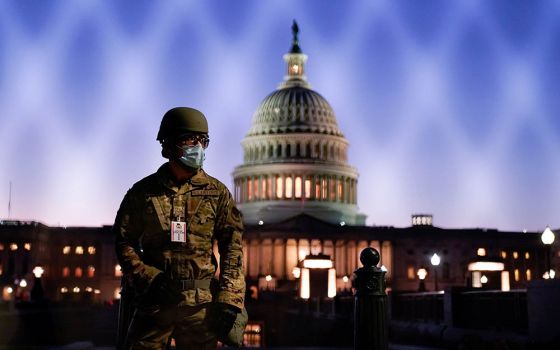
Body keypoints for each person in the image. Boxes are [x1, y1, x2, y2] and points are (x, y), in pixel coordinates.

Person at [114, 107, 246, 349]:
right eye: (189, 139)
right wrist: (149, 279)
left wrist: (230, 300)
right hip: (154, 304)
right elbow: (123, 241)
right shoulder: (142, 193)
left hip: (200, 308)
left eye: (203, 141)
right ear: (169, 144)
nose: (197, 147)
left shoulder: (218, 194)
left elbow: (233, 249)